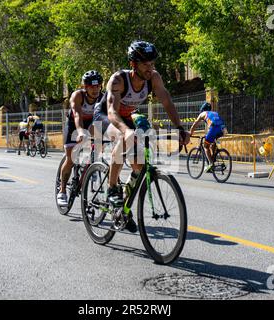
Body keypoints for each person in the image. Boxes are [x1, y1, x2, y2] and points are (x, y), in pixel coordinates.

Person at [93, 40, 190, 232]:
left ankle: (122, 211)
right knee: (123, 138)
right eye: (146, 64)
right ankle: (112, 188)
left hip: (127, 117)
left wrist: (179, 128)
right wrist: (126, 131)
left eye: (152, 63)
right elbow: (112, 112)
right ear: (133, 64)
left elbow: (167, 101)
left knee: (139, 166)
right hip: (105, 116)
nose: (150, 68)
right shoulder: (119, 79)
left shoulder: (154, 78)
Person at [57, 70, 104, 207]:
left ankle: (91, 166)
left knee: (101, 142)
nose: (95, 89)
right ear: (85, 87)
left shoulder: (103, 98)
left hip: (92, 123)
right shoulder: (77, 95)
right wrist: (80, 132)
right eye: (91, 86)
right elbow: (77, 115)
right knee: (71, 158)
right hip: (74, 125)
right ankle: (63, 190)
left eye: (98, 86)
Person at [189, 102, 225, 173]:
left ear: (202, 109)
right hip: (222, 128)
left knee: (206, 146)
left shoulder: (203, 113)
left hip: (214, 127)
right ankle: (213, 158)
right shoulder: (214, 113)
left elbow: (195, 124)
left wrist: (190, 133)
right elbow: (211, 126)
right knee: (212, 144)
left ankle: (211, 164)